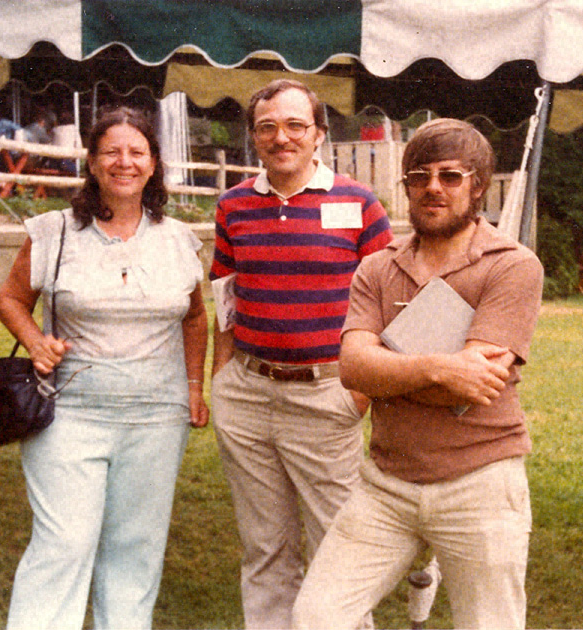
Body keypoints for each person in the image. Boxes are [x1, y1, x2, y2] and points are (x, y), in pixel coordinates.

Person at [292, 118, 545, 630]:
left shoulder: (512, 265)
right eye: (419, 176)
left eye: (451, 176)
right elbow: (352, 368)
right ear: (405, 185)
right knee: (315, 617)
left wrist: (390, 369)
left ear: (477, 185)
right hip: (386, 483)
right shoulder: (378, 268)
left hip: (480, 482)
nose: (433, 187)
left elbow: (476, 386)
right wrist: (437, 367)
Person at [0, 105, 209, 630]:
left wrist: (194, 388)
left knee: (135, 549)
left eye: (137, 152)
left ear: (154, 164)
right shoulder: (53, 231)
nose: (125, 162)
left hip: (157, 420)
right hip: (68, 414)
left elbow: (196, 318)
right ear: (92, 162)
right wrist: (34, 340)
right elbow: (10, 299)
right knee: (64, 542)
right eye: (112, 151)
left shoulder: (179, 239)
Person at [208, 79, 393, 629]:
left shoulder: (359, 204)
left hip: (326, 394)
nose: (280, 137)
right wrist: (222, 380)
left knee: (339, 548)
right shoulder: (233, 205)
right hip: (247, 393)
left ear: (317, 135)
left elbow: (389, 305)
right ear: (254, 137)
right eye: (267, 127)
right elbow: (225, 297)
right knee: (265, 549)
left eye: (294, 125)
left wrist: (358, 392)